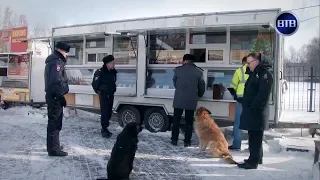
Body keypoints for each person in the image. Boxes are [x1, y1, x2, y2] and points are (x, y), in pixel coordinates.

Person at [237, 52, 273, 169]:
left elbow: (263, 95)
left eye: (249, 62)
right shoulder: (256, 73)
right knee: (253, 136)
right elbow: (252, 91)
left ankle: (253, 162)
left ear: (256, 62)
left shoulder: (265, 74)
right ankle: (256, 158)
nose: (247, 65)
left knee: (255, 138)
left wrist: (252, 105)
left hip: (257, 112)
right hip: (253, 110)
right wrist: (245, 100)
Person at [170, 54, 205, 147]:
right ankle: (187, 141)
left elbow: (175, 83)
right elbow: (201, 86)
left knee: (176, 120)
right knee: (189, 121)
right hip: (191, 99)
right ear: (193, 61)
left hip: (179, 99)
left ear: (184, 61)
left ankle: (174, 140)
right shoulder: (199, 72)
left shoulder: (177, 70)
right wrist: (200, 95)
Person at [44, 41, 70, 156]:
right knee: (55, 123)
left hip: (53, 96)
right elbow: (55, 81)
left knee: (54, 123)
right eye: (66, 52)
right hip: (55, 97)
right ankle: (54, 150)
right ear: (61, 51)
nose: (67, 55)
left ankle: (54, 146)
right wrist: (61, 97)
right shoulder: (56, 62)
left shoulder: (54, 60)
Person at [92, 55, 117, 138]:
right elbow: (95, 84)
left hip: (111, 95)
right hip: (104, 95)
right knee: (105, 112)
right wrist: (100, 92)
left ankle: (106, 127)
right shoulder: (100, 72)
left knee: (109, 112)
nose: (114, 64)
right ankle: (104, 129)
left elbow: (113, 81)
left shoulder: (113, 72)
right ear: (107, 63)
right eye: (112, 63)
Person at [228, 56, 249, 151]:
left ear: (242, 62)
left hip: (241, 100)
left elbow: (232, 87)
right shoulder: (256, 71)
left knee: (238, 123)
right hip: (252, 101)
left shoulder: (239, 71)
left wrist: (236, 97)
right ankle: (252, 146)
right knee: (252, 123)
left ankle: (237, 144)